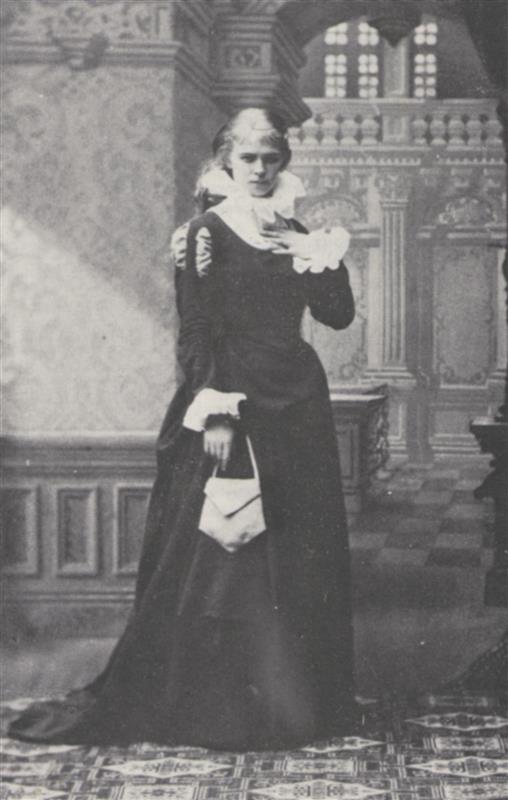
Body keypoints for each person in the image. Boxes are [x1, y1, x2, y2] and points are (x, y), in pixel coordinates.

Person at [9, 108, 358, 751]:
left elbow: (336, 315)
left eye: (271, 158)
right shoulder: (205, 233)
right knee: (229, 552)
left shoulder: (297, 230)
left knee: (293, 549)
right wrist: (217, 412)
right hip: (236, 399)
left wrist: (315, 255)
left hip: (297, 406)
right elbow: (196, 330)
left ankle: (294, 703)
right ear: (226, 161)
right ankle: (220, 708)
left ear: (284, 162)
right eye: (248, 158)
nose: (260, 169)